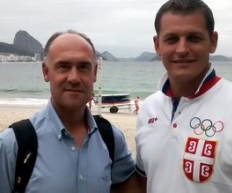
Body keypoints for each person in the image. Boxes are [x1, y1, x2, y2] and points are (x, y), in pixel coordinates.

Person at [135, 0, 232, 193]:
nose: (182, 49)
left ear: (213, 42)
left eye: (194, 38)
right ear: (157, 45)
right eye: (171, 39)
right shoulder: (149, 108)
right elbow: (145, 180)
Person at [0, 30, 143, 192]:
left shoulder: (111, 137)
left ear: (94, 73)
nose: (74, 78)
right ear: (46, 72)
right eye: (63, 66)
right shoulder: (13, 144)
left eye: (83, 67)